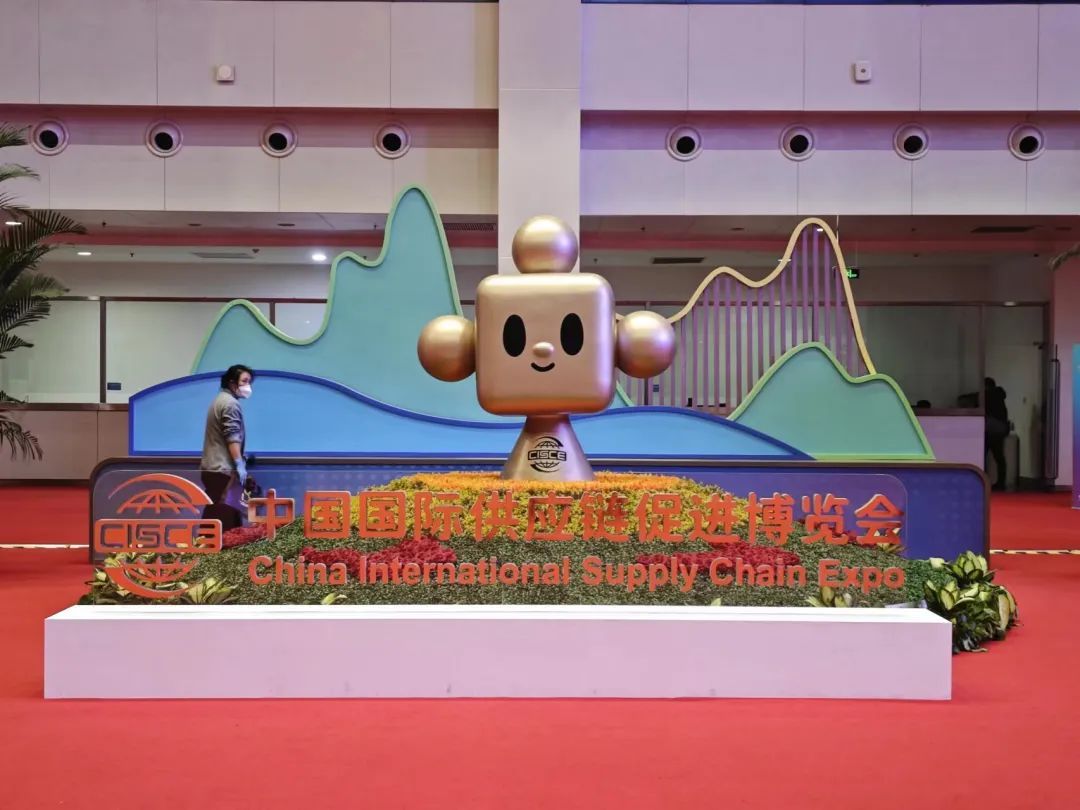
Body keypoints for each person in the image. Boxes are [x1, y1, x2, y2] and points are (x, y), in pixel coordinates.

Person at [200, 365, 254, 530]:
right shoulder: (230, 404)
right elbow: (232, 438)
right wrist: (239, 465)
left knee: (215, 515)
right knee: (223, 519)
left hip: (212, 468)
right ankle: (213, 545)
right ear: (232, 382)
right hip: (223, 470)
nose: (248, 386)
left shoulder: (219, 400)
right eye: (244, 381)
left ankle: (207, 544)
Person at [983, 377, 1009, 491]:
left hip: (990, 429)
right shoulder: (999, 396)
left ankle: (983, 481)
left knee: (982, 456)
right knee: (999, 457)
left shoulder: (987, 396)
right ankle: (1001, 482)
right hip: (1000, 429)